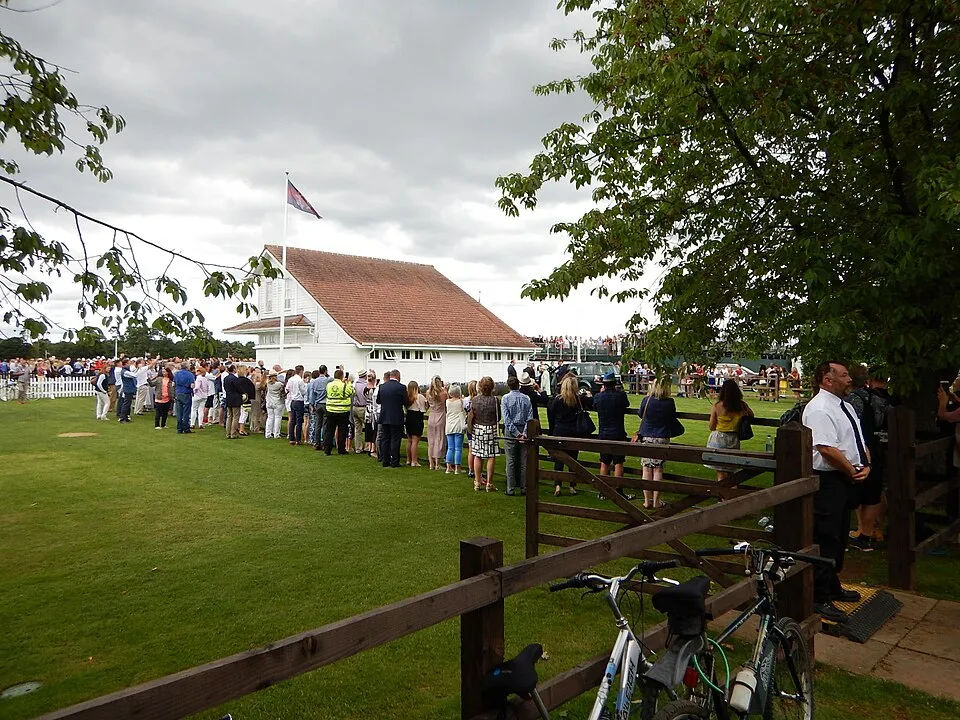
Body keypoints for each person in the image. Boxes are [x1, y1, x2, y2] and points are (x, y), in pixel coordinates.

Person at [802, 361, 869, 624]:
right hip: (828, 479)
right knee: (826, 536)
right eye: (843, 375)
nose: (849, 379)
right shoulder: (819, 408)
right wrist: (851, 470)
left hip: (844, 477)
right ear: (827, 380)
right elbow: (826, 449)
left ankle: (832, 585)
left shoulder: (846, 406)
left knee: (840, 535)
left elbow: (857, 440)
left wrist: (866, 465)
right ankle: (819, 597)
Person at [632, 379, 679, 509]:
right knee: (658, 470)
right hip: (662, 437)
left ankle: (647, 501)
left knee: (646, 469)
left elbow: (641, 414)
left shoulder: (646, 400)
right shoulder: (669, 402)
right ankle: (656, 501)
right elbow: (672, 416)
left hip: (647, 436)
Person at [547, 374, 590, 496]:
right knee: (573, 460)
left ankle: (558, 486)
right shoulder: (579, 399)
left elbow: (552, 414)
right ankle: (572, 486)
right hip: (574, 432)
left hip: (560, 432)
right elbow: (589, 400)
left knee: (559, 460)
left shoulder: (557, 401)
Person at [592, 370, 632, 500]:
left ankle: (603, 491)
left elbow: (594, 405)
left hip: (604, 433)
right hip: (618, 432)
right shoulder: (620, 396)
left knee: (604, 462)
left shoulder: (598, 397)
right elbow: (627, 404)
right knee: (618, 462)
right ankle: (618, 490)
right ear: (614, 383)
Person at [705, 379, 755, 482]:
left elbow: (711, 426)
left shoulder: (717, 406)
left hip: (719, 438)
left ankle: (723, 496)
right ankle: (731, 494)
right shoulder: (741, 405)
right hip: (734, 438)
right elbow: (751, 415)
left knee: (720, 471)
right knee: (731, 471)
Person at [501, 375, 534, 495]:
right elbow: (530, 417)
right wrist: (524, 433)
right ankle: (524, 488)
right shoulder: (526, 398)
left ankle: (510, 489)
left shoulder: (505, 399)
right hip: (523, 428)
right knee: (524, 461)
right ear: (518, 385)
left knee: (510, 460)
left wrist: (516, 433)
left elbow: (506, 419)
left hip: (511, 430)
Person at [470, 376, 500, 492]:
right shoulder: (495, 400)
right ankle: (489, 483)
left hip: (478, 428)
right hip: (491, 428)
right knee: (491, 456)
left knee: (478, 455)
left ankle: (477, 482)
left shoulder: (475, 400)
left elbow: (473, 415)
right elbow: (498, 417)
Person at [376, 369, 409, 468]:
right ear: (398, 376)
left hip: (384, 416)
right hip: (396, 417)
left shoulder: (382, 387)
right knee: (395, 439)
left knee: (385, 439)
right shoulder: (401, 387)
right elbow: (405, 402)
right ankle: (395, 461)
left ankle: (385, 460)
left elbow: (378, 401)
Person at [323, 368, 355, 455]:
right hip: (342, 411)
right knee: (342, 431)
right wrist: (347, 382)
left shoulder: (328, 385)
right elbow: (352, 392)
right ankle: (341, 450)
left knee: (329, 431)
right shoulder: (344, 385)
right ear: (342, 377)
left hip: (330, 410)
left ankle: (327, 450)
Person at [425, 376, 448, 470]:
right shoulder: (443, 393)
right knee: (439, 439)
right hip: (440, 416)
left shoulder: (428, 392)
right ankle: (437, 463)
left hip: (432, 416)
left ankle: (431, 463)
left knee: (431, 440)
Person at [445, 385, 468, 475]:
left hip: (449, 426)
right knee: (458, 448)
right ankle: (457, 468)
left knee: (450, 448)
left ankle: (448, 467)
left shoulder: (447, 402)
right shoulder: (460, 402)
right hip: (458, 425)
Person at [405, 380, 426, 466]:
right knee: (415, 441)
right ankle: (414, 461)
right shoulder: (420, 397)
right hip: (417, 417)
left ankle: (408, 459)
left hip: (409, 416)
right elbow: (423, 408)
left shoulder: (407, 397)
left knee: (409, 440)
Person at [285, 365, 307, 445]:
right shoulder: (300, 380)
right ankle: (298, 439)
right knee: (299, 420)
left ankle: (291, 438)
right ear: (301, 371)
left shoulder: (290, 379)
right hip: (299, 400)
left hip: (292, 400)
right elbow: (303, 391)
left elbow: (287, 389)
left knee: (292, 420)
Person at [222, 364, 244, 440]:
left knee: (229, 416)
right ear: (234, 369)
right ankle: (233, 433)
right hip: (235, 399)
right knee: (235, 416)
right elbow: (239, 389)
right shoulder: (235, 379)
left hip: (228, 398)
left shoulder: (226, 378)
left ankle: (228, 433)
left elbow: (225, 388)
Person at [172, 361, 195, 433]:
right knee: (186, 412)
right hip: (186, 393)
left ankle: (179, 428)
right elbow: (192, 385)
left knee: (179, 412)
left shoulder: (177, 374)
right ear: (187, 367)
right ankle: (186, 428)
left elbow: (173, 384)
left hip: (178, 393)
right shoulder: (190, 375)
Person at [351, 370, 369, 454]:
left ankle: (358, 448)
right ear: (365, 375)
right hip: (363, 407)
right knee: (368, 427)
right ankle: (368, 446)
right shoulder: (366, 385)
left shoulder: (355, 384)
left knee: (357, 429)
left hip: (355, 407)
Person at [264, 371, 286, 438]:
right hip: (277, 402)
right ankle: (276, 433)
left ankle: (268, 433)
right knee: (278, 418)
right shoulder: (279, 384)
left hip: (269, 402)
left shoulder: (267, 384)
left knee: (270, 418)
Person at [236, 365, 256, 437]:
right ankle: (241, 429)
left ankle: (238, 427)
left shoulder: (237, 380)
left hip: (238, 399)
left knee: (240, 413)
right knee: (244, 414)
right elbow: (251, 389)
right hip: (246, 399)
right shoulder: (246, 381)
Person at [191, 364, 210, 430]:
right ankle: (200, 424)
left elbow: (197, 387)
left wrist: (193, 391)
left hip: (197, 395)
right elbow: (208, 387)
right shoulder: (206, 378)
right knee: (201, 410)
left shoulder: (199, 378)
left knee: (194, 409)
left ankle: (192, 424)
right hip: (204, 396)